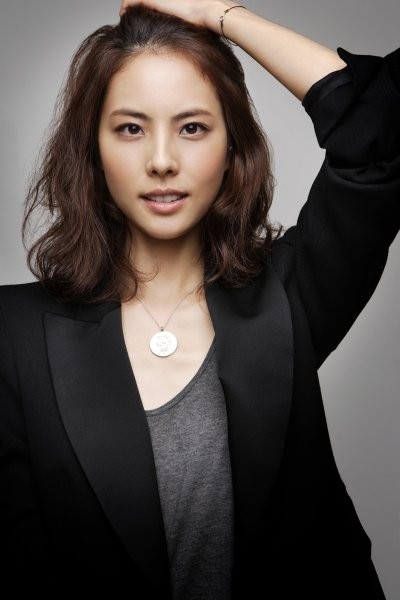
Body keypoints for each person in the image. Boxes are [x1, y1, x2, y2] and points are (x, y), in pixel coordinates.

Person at [0, 0, 398, 598]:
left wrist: (217, 13)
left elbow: (379, 128)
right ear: (93, 150)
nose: (162, 161)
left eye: (192, 128)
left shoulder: (287, 298)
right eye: (130, 128)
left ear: (232, 146)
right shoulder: (13, 335)